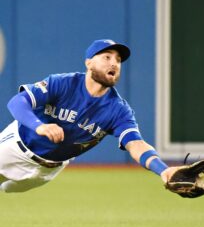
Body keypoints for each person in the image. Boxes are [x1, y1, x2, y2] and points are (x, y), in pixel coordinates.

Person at [0, 39, 174, 193]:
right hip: (15, 147)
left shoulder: (119, 110)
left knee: (7, 190)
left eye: (118, 60)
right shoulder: (63, 83)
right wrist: (40, 126)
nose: (114, 63)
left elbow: (136, 144)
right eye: (107, 57)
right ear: (89, 63)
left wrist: (163, 170)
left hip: (47, 171)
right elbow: (17, 102)